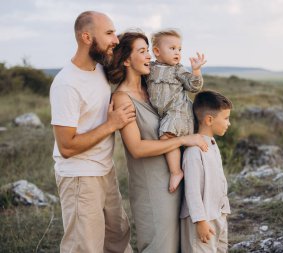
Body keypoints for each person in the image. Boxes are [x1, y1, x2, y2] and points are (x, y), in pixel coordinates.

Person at [105, 31, 208, 253]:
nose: (149, 56)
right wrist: (184, 138)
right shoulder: (122, 98)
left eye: (148, 51)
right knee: (160, 247)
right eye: (142, 52)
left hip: (176, 180)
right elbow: (137, 149)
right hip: (153, 188)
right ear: (125, 60)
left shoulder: (151, 88)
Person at [49, 11, 135, 253]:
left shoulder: (99, 69)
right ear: (87, 37)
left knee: (118, 239)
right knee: (85, 247)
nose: (115, 39)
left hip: (105, 171)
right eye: (109, 33)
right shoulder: (66, 84)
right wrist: (111, 124)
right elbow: (66, 147)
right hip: (80, 178)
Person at [146, 29, 206, 192]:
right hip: (165, 114)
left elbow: (194, 86)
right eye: (172, 48)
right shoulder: (150, 69)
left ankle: (176, 172)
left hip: (178, 112)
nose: (177, 53)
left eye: (179, 49)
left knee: (166, 136)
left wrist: (196, 70)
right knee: (170, 138)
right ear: (157, 51)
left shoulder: (178, 69)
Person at [180, 90, 233, 253]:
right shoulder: (194, 152)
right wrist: (200, 221)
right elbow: (192, 190)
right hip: (202, 220)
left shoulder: (212, 144)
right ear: (209, 119)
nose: (228, 123)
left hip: (217, 214)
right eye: (226, 118)